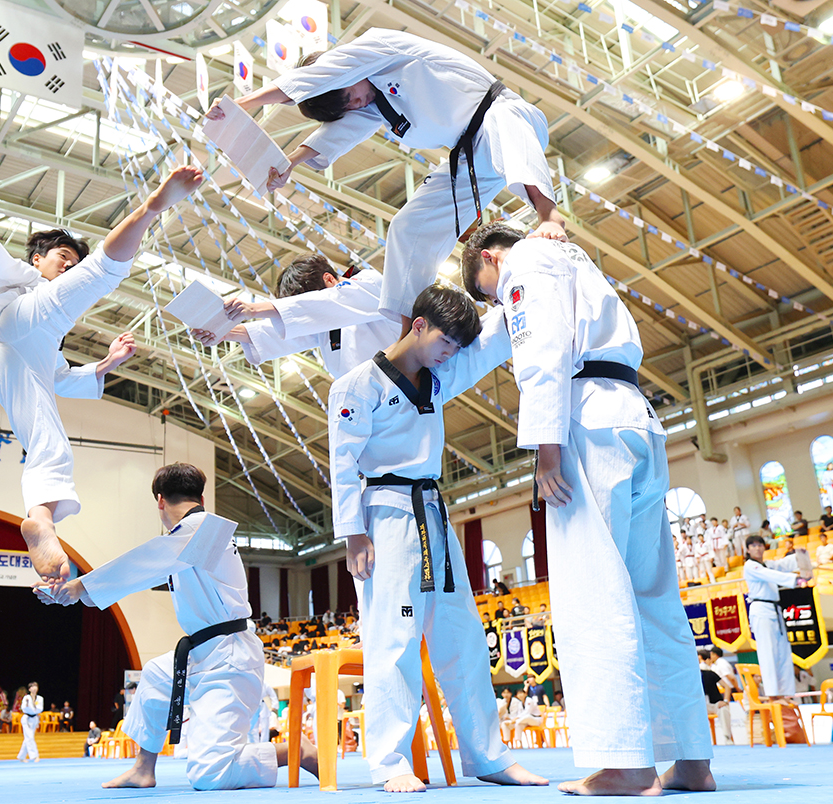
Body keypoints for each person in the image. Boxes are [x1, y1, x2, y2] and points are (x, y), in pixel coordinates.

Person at [462, 223, 714, 795]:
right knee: (655, 596)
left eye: (490, 290)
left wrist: (546, 448)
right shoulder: (572, 257)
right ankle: (692, 759)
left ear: (489, 258)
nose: (498, 302)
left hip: (587, 419)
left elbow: (542, 352)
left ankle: (627, 763)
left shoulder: (524, 263)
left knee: (593, 594)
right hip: (636, 415)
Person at [0, 166, 204, 588]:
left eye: (73, 262)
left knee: (49, 441)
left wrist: (105, 365)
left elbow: (58, 378)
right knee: (98, 276)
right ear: (39, 258)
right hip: (9, 325)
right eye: (62, 259)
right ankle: (152, 206)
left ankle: (40, 520)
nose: (67, 266)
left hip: (11, 361)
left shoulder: (50, 336)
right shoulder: (26, 276)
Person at [328, 284, 545, 792]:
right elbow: (342, 464)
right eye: (446, 341)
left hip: (432, 511)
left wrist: (518, 287)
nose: (451, 353)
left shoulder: (438, 376)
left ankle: (488, 757)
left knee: (464, 637)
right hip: (383, 514)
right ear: (419, 326)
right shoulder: (357, 385)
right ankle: (390, 761)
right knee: (394, 639)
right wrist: (352, 534)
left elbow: (488, 345)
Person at [205, 30, 565, 333]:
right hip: (470, 152)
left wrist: (242, 104)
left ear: (341, 71)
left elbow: (319, 77)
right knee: (407, 227)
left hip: (501, 112)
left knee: (506, 132)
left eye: (349, 94)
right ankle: (411, 326)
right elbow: (341, 130)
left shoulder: (376, 48)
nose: (356, 101)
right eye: (347, 104)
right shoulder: (374, 103)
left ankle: (549, 215)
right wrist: (292, 162)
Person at [35, 463, 320, 791]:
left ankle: (297, 750)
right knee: (156, 676)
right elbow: (155, 564)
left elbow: (143, 562)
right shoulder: (185, 540)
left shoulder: (205, 531)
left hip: (229, 657)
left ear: (160, 501)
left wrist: (78, 588)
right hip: (203, 651)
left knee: (209, 774)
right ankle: (144, 768)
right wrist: (79, 588)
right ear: (201, 496)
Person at [193, 254, 397, 379]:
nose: (306, 310)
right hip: (368, 402)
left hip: (405, 389)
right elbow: (284, 331)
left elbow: (322, 306)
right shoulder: (322, 323)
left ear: (329, 279)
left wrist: (255, 309)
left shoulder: (368, 282)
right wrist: (224, 332)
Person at [743, 534, 810, 699]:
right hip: (761, 609)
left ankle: (786, 693)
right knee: (768, 652)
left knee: (783, 652)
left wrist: (800, 556)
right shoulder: (750, 566)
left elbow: (782, 565)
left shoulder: (768, 564)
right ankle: (773, 694)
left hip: (774, 609)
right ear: (748, 549)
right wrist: (796, 579)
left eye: (760, 545)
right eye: (753, 546)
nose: (757, 548)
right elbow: (771, 575)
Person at [18, 682, 43, 762]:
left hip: (34, 718)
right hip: (26, 718)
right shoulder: (26, 698)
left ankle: (21, 756)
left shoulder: (40, 698)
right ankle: (35, 756)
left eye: (36, 686)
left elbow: (40, 709)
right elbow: (24, 708)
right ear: (29, 689)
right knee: (30, 737)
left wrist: (34, 709)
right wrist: (33, 709)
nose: (34, 688)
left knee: (28, 737)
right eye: (32, 687)